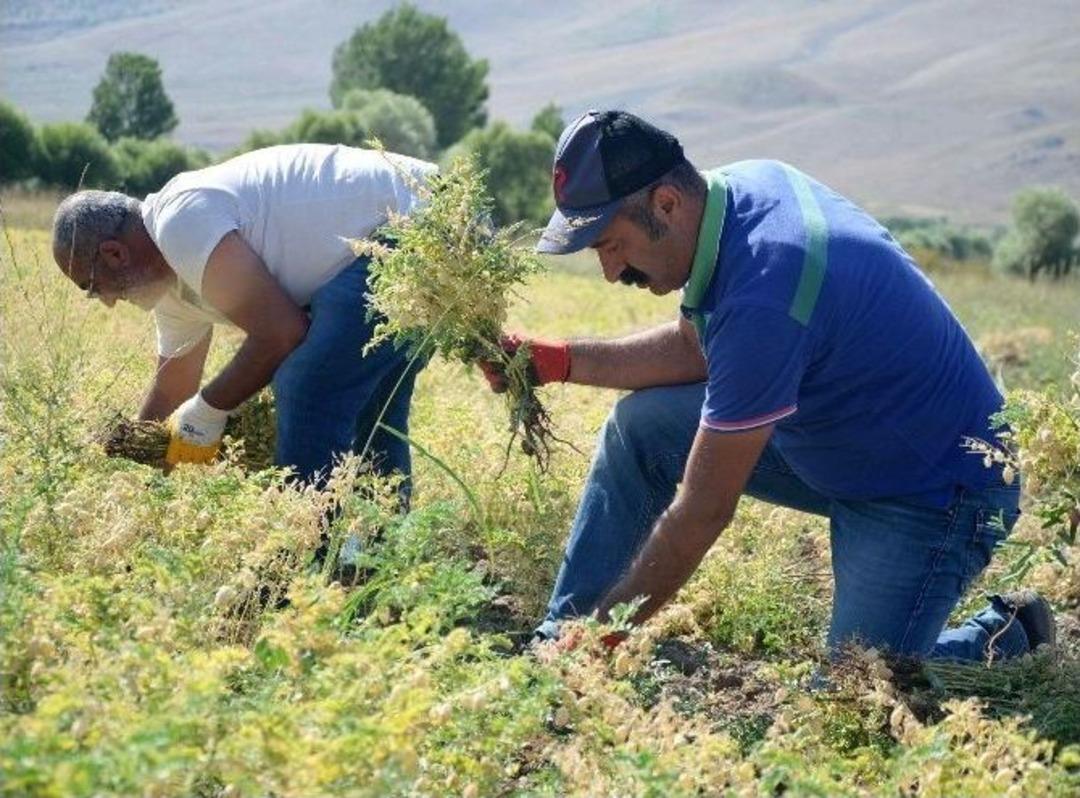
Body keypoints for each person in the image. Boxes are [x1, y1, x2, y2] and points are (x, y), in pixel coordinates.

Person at [487, 110, 1054, 661]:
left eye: (611, 245)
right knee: (642, 430)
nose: (611, 272)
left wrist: (605, 639)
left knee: (857, 685)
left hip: (933, 489)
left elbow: (703, 511)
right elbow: (695, 348)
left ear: (666, 203)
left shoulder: (766, 286)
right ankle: (559, 637)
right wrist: (558, 361)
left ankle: (1005, 635)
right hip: (838, 438)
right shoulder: (736, 196)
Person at [51, 143, 434, 493]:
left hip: (420, 221)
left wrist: (209, 408)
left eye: (92, 286)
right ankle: (379, 537)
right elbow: (171, 392)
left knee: (306, 384)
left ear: (115, 254)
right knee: (369, 402)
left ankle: (312, 540)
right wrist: (134, 486)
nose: (106, 303)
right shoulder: (171, 289)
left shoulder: (178, 223)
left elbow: (282, 333)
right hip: (414, 229)